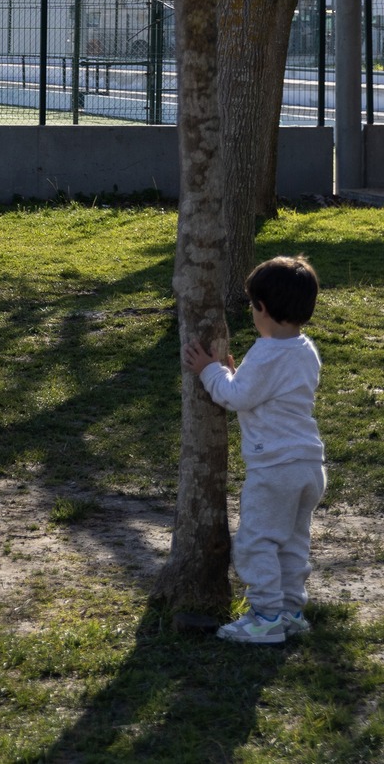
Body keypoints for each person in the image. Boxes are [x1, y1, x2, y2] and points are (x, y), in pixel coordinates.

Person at [184, 255, 327, 645]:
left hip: (275, 467)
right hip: (309, 465)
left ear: (261, 308)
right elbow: (263, 392)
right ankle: (291, 611)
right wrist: (236, 374)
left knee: (257, 541)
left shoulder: (265, 352)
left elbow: (236, 396)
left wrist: (210, 371)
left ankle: (264, 617)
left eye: (251, 305)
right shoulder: (305, 350)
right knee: (294, 540)